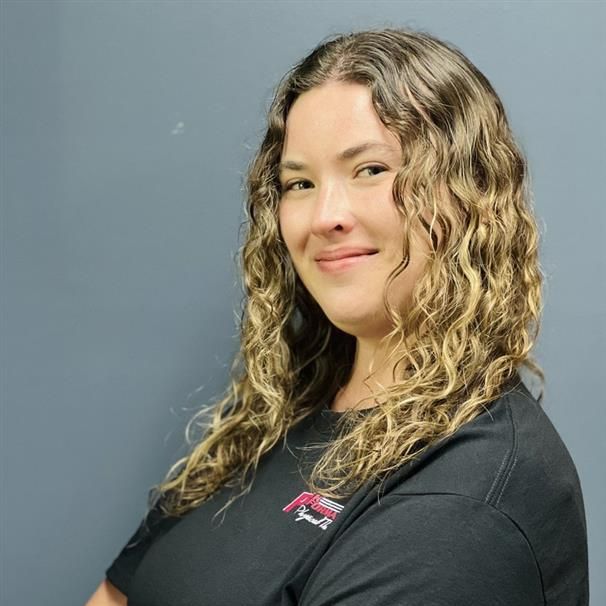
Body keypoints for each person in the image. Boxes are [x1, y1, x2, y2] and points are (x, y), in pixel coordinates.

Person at [86, 26, 589, 605]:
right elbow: (115, 594)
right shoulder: (274, 418)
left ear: (466, 192)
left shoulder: (465, 499)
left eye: (370, 170)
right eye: (299, 182)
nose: (324, 216)